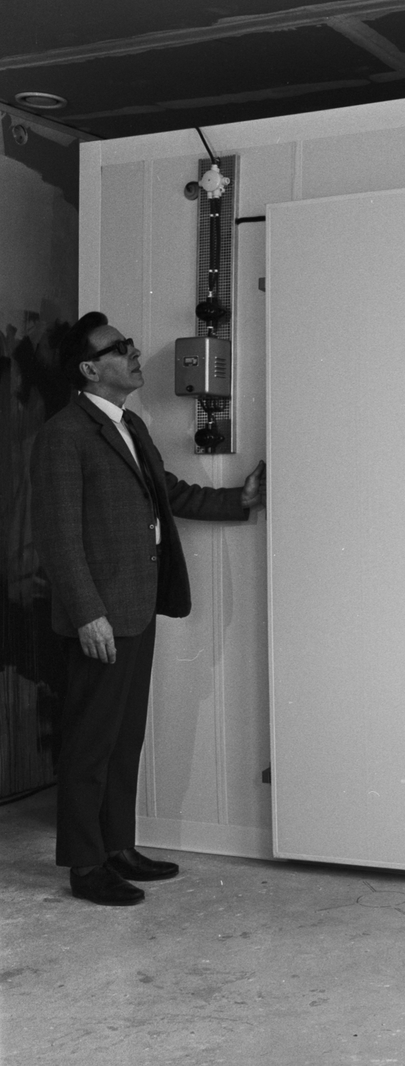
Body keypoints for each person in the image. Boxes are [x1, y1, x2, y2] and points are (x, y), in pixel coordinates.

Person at [29, 312, 265, 906]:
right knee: (91, 743)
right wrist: (88, 614)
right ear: (90, 369)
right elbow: (59, 537)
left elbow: (169, 492)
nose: (134, 352)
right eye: (119, 348)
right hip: (101, 618)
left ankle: (117, 847)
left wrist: (239, 499)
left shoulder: (129, 424)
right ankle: (86, 865)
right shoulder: (64, 435)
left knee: (124, 737)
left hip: (135, 606)